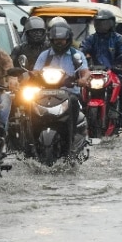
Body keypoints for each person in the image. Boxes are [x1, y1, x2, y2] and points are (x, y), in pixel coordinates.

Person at [32, 22, 91, 154]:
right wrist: (27, 76)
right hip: (45, 94)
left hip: (69, 93)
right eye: (56, 40)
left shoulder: (77, 55)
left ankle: (71, 140)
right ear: (51, 40)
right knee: (28, 104)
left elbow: (86, 72)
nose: (59, 43)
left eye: (62, 40)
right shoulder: (45, 55)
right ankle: (31, 143)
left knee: (75, 102)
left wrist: (83, 79)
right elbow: (35, 72)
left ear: (68, 39)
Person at [79, 9, 122, 129]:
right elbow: (82, 49)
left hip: (114, 71)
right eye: (99, 23)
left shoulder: (118, 39)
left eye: (105, 23)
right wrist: (79, 58)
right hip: (94, 72)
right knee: (80, 89)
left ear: (112, 24)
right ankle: (80, 116)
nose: (101, 26)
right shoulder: (91, 39)